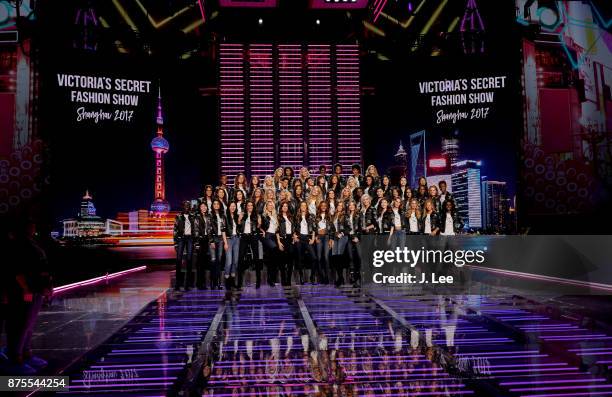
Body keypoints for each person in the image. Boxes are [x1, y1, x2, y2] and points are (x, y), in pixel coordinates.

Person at [2, 218, 52, 375]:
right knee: (20, 324)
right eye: (30, 224)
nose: (33, 226)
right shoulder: (17, 245)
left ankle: (25, 353)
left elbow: (42, 266)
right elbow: (16, 270)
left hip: (35, 290)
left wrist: (47, 287)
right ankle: (15, 358)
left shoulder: (33, 244)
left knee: (29, 324)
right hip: (23, 292)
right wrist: (26, 289)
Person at [237, 201, 261, 288]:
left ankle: (258, 281)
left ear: (253, 206)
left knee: (256, 257)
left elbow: (258, 228)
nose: (250, 206)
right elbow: (239, 227)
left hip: (253, 236)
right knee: (240, 258)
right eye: (248, 205)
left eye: (251, 205)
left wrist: (259, 223)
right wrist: (239, 220)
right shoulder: (243, 214)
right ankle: (239, 282)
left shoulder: (256, 215)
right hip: (244, 237)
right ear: (246, 206)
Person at [173, 201, 195, 290]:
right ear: (182, 206)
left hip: (190, 238)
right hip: (181, 239)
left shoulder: (193, 216)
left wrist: (195, 241)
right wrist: (175, 243)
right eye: (185, 205)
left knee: (189, 260)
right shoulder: (178, 216)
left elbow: (195, 228)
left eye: (188, 206)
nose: (186, 207)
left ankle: (188, 283)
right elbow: (174, 230)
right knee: (179, 260)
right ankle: (178, 283)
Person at [294, 201, 315, 285]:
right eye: (301, 205)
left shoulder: (311, 216)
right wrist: (295, 236)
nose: (303, 207)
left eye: (304, 205)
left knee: (314, 258)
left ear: (306, 207)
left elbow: (313, 228)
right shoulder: (297, 216)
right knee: (300, 259)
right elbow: (293, 228)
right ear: (300, 207)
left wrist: (313, 238)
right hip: (299, 238)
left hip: (307, 238)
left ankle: (312, 276)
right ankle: (301, 276)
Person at [313, 201, 334, 284]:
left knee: (326, 257)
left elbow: (332, 229)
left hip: (326, 237)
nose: (323, 207)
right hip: (319, 238)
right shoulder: (316, 217)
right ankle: (321, 276)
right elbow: (313, 228)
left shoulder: (329, 217)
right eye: (322, 205)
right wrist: (316, 236)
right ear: (320, 207)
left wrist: (331, 239)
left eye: (325, 205)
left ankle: (327, 277)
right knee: (318, 258)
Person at [210, 199, 229, 289]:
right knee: (213, 260)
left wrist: (225, 242)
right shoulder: (209, 215)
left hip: (221, 239)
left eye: (218, 204)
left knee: (219, 260)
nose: (216, 205)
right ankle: (213, 283)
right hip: (213, 239)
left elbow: (224, 230)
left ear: (220, 205)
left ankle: (218, 283)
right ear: (212, 205)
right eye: (215, 203)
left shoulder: (223, 216)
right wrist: (211, 241)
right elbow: (208, 229)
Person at [260, 199, 279, 286]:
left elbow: (277, 228)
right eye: (269, 205)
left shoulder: (275, 215)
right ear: (266, 206)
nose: (270, 206)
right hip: (267, 236)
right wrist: (262, 231)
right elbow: (258, 226)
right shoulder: (263, 215)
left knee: (273, 259)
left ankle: (271, 279)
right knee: (274, 249)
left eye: (272, 205)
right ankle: (270, 279)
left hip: (274, 236)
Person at [194, 202, 212, 290]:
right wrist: (197, 243)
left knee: (204, 262)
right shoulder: (197, 217)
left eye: (205, 206)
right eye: (202, 206)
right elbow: (196, 230)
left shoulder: (209, 216)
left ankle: (203, 283)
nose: (204, 208)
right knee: (199, 263)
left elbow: (210, 229)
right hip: (199, 240)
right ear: (200, 208)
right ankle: (199, 283)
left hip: (206, 240)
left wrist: (210, 240)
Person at [276, 202, 295, 286]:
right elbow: (277, 231)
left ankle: (289, 280)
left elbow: (293, 229)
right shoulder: (278, 217)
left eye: (286, 206)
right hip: (282, 239)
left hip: (290, 239)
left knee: (290, 260)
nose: (285, 207)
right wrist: (279, 242)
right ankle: (283, 279)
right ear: (281, 207)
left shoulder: (291, 217)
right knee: (282, 261)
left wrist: (294, 237)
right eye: (283, 206)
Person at [331, 201, 348, 286]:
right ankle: (341, 277)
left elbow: (348, 227)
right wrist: (333, 236)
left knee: (339, 256)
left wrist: (342, 233)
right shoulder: (333, 216)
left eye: (341, 206)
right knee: (335, 257)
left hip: (342, 236)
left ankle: (340, 279)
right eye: (338, 205)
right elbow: (332, 228)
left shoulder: (345, 215)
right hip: (335, 237)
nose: (340, 207)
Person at [224, 202, 241, 289]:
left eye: (234, 206)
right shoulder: (225, 216)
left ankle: (232, 281)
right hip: (228, 239)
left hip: (237, 239)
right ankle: (227, 280)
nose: (233, 207)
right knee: (229, 261)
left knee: (235, 261)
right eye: (231, 206)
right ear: (228, 207)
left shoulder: (237, 216)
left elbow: (240, 228)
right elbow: (223, 230)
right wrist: (225, 243)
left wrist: (239, 221)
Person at [344, 201, 362, 285]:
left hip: (357, 238)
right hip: (349, 238)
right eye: (350, 205)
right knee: (350, 257)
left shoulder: (359, 215)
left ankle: (359, 274)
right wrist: (350, 235)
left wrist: (357, 237)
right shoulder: (346, 216)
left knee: (359, 256)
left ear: (355, 206)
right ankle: (352, 276)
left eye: (352, 205)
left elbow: (361, 227)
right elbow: (345, 227)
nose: (351, 206)